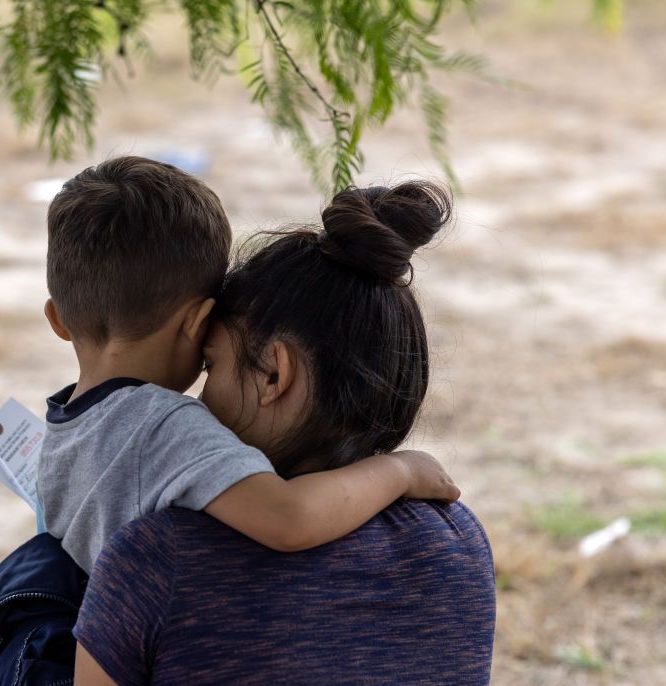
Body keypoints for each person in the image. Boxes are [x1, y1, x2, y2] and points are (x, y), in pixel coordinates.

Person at [73, 181, 497, 685]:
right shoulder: (456, 541)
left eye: (212, 366)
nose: (202, 400)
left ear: (275, 375)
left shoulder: (158, 560)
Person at [38, 156, 459, 576]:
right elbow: (291, 519)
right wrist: (400, 470)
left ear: (58, 320)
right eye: (210, 359)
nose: (203, 393)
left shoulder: (60, 435)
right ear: (197, 323)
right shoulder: (164, 427)